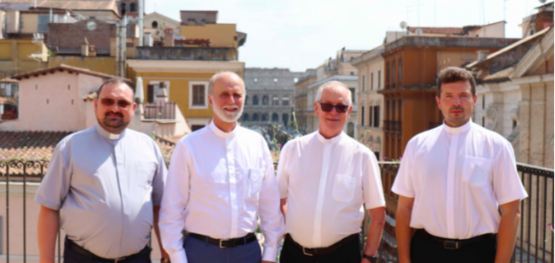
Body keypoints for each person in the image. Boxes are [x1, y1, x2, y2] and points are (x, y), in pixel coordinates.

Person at [392, 67, 528, 263]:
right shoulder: (417, 145)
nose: (456, 102)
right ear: (439, 102)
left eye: (463, 95)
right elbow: (404, 207)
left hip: (479, 253)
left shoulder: (497, 146)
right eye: (448, 96)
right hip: (426, 252)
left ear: (474, 100)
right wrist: (404, 259)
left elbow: (512, 211)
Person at [35, 79, 169, 263]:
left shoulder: (149, 147)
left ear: (133, 108)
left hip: (138, 259)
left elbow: (160, 206)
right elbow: (49, 207)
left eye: (123, 103)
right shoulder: (70, 147)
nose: (115, 108)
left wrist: (167, 253)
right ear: (96, 104)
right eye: (108, 101)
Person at [159, 71, 283, 263]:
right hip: (201, 252)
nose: (231, 101)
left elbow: (269, 203)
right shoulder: (189, 146)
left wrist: (270, 253)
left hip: (247, 252)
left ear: (244, 99)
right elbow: (172, 207)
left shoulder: (257, 144)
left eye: (237, 95)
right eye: (224, 94)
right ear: (210, 100)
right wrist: (177, 257)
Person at [277, 81, 386, 263]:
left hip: (342, 255)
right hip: (294, 254)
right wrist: (290, 233)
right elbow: (280, 200)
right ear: (316, 108)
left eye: (341, 107)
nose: (334, 112)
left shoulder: (363, 156)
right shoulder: (292, 149)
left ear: (349, 111)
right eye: (327, 106)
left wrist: (368, 257)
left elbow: (378, 214)